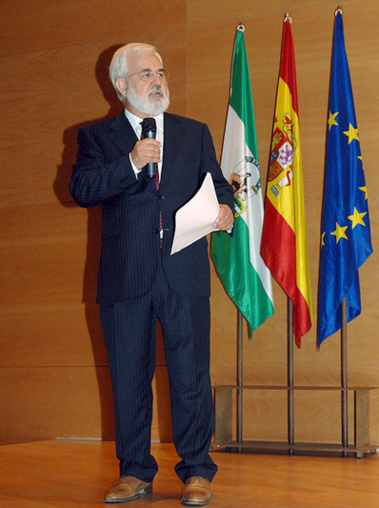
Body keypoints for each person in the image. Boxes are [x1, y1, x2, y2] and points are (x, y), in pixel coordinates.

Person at [70, 43, 235, 506]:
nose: (157, 80)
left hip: (183, 272)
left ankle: (198, 471)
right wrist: (131, 163)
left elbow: (219, 186)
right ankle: (135, 471)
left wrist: (226, 208)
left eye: (160, 71)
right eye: (145, 74)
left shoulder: (193, 133)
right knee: (128, 378)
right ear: (121, 86)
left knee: (190, 377)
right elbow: (81, 189)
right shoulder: (97, 138)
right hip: (125, 278)